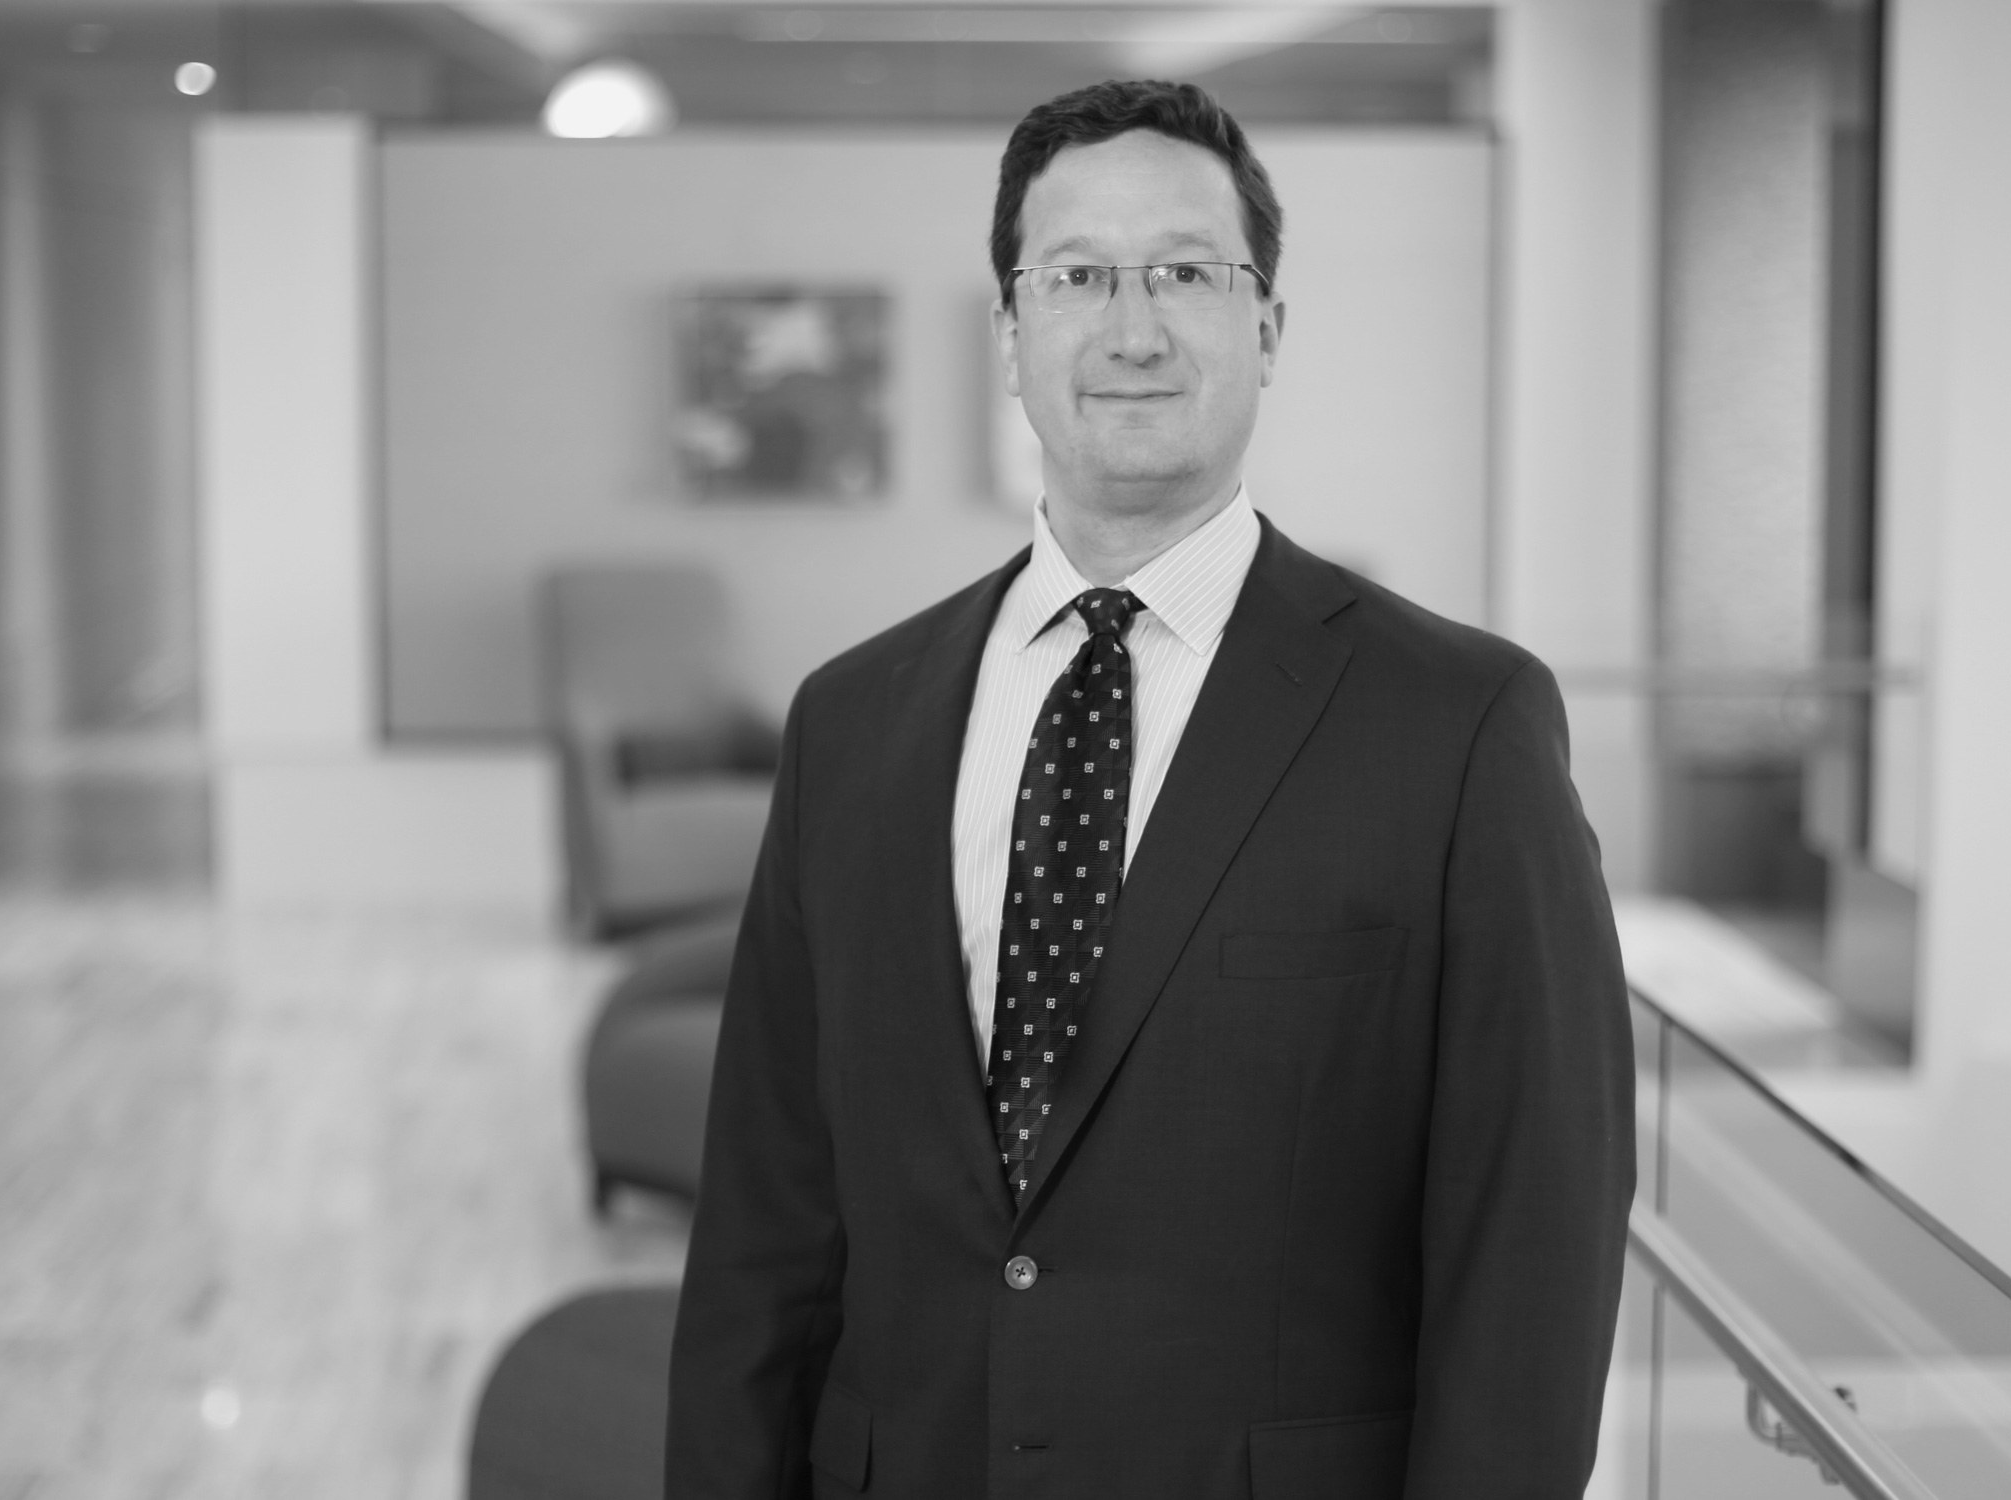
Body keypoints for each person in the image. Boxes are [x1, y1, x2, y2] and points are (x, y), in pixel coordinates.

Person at [665, 78, 1631, 1500]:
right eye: (1077, 278)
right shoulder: (851, 726)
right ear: (1010, 335)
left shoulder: (1461, 727)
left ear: (1268, 328)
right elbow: (767, 1227)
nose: (1132, 330)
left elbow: (1533, 1250)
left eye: (1186, 272)